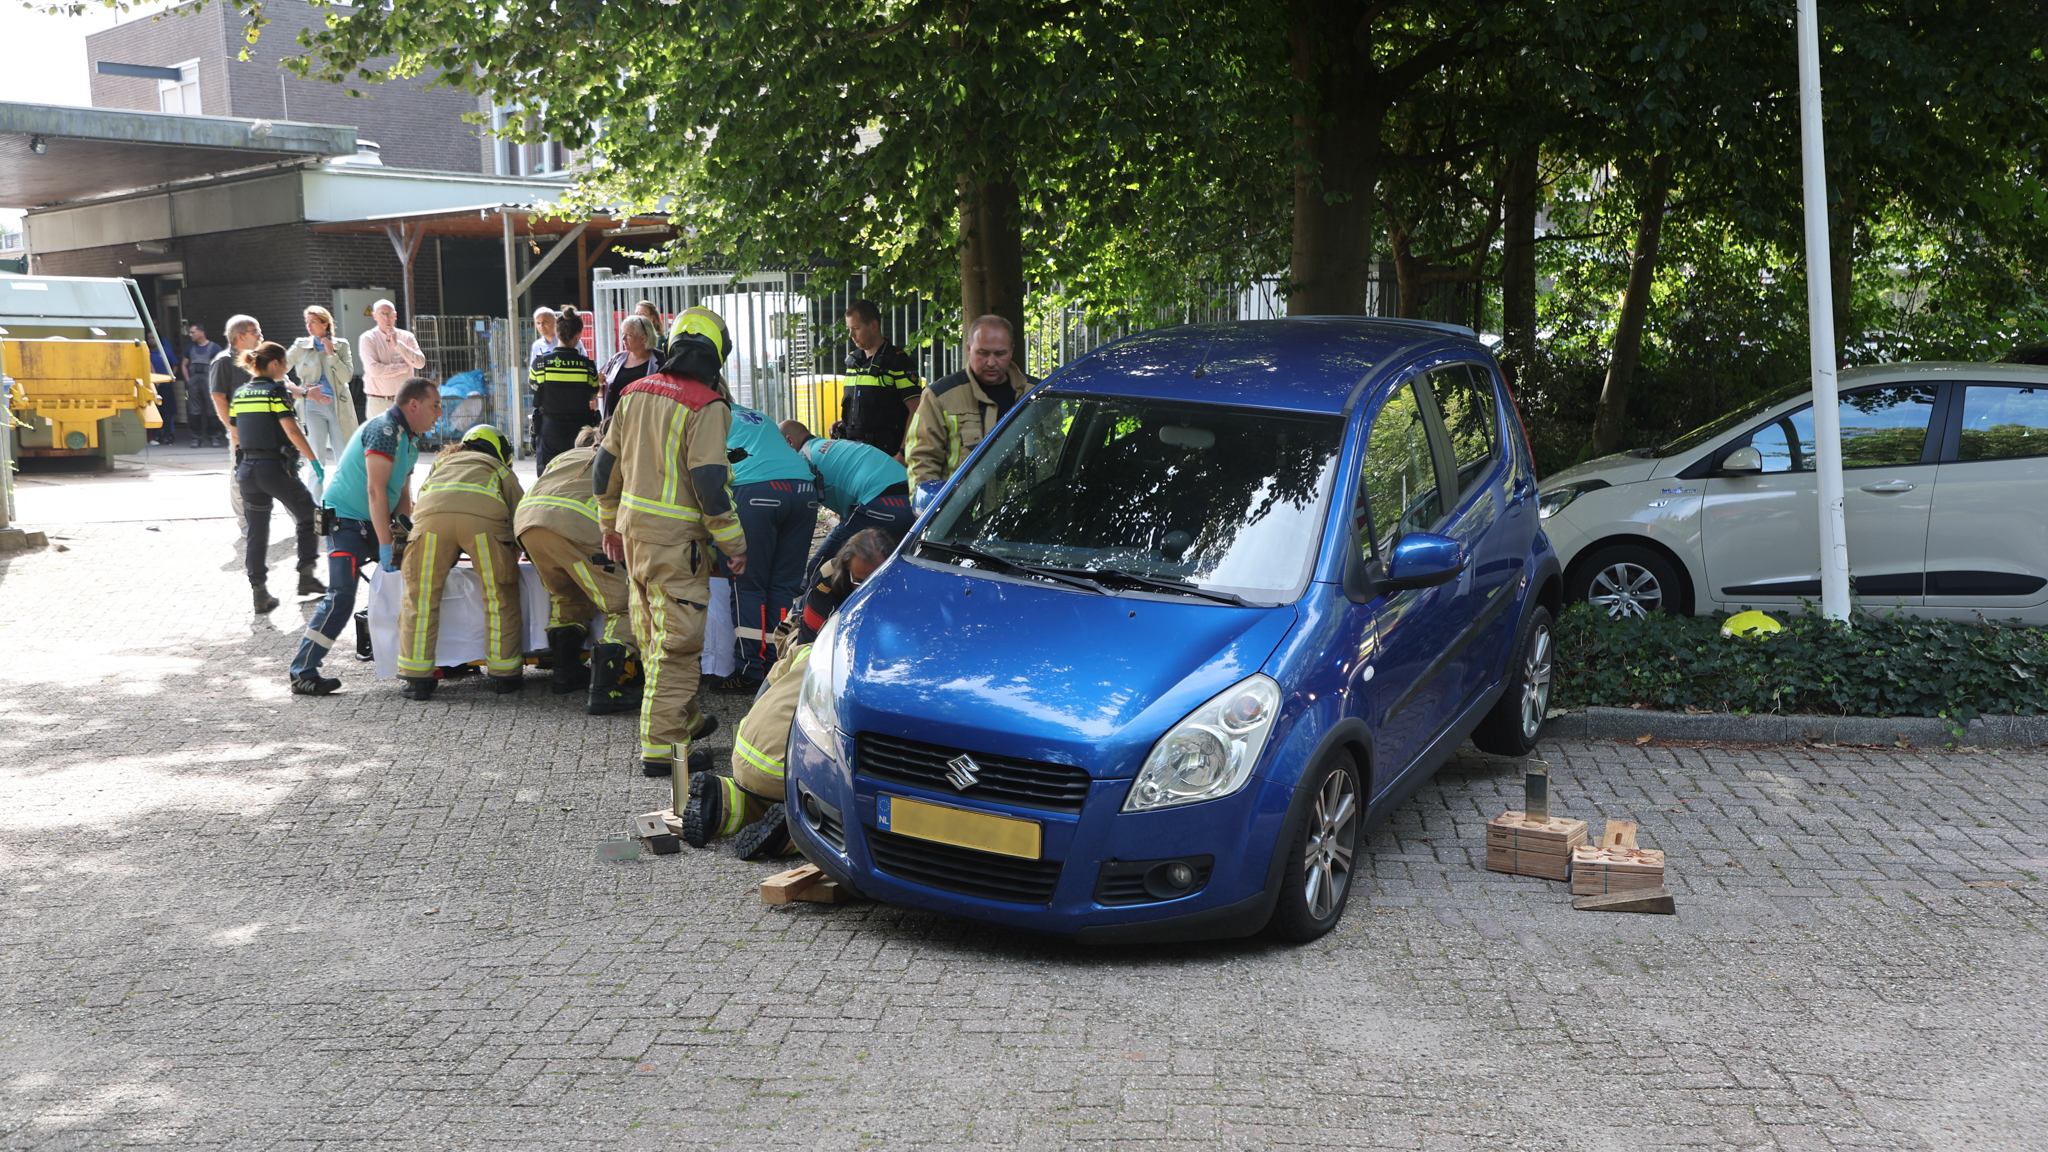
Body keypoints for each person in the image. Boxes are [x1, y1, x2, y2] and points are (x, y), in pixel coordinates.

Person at [596, 305, 745, 795]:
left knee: (655, 636)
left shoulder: (634, 392)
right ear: (717, 354)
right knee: (678, 648)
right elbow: (709, 481)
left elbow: (603, 466)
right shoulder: (708, 404)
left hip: (634, 538)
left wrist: (607, 522)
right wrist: (733, 543)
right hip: (677, 547)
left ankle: (686, 720)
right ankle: (662, 749)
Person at [682, 529, 893, 855]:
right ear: (845, 567)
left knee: (790, 673)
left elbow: (788, 672)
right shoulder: (828, 586)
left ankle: (723, 800)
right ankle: (797, 831)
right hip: (790, 766)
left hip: (745, 753)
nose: (863, 589)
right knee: (845, 809)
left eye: (872, 582)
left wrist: (758, 713)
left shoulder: (810, 652)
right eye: (857, 581)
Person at [284, 378, 443, 696]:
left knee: (413, 581)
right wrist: (387, 545)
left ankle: (415, 662)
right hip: (345, 522)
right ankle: (303, 671)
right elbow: (375, 491)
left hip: (371, 521)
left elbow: (400, 493)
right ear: (414, 404)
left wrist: (404, 533)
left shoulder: (409, 439)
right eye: (435, 405)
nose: (439, 413)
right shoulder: (384, 431)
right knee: (341, 595)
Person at [513, 424, 641, 714]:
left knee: (570, 597)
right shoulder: (616, 456)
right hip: (577, 525)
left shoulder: (564, 456)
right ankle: (605, 691)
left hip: (529, 523)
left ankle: (565, 673)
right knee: (626, 605)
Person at [396, 424, 526, 700]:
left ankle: (416, 679)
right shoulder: (498, 467)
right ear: (499, 449)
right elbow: (521, 511)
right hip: (483, 522)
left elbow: (423, 499)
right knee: (499, 594)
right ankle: (505, 676)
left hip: (432, 521)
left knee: (419, 597)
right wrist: (517, 547)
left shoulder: (442, 461)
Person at [716, 406, 819, 693]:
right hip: (802, 490)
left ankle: (751, 671)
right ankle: (782, 665)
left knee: (748, 585)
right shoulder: (755, 415)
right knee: (784, 586)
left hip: (754, 490)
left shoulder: (702, 414)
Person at [228, 341, 324, 614]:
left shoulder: (240, 395)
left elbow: (235, 435)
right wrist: (314, 461)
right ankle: (306, 576)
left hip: (247, 471)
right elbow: (293, 432)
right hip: (273, 469)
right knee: (308, 516)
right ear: (273, 365)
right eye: (284, 364)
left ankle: (260, 593)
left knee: (257, 532)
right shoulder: (276, 393)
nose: (285, 369)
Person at [905, 314, 1037, 488]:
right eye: (983, 353)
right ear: (968, 349)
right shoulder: (939, 396)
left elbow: (1056, 451)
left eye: (1000, 353)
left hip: (1029, 509)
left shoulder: (1037, 394)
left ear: (1011, 351)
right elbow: (922, 460)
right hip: (963, 511)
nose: (991, 362)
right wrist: (930, 510)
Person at [781, 420, 910, 588]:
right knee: (890, 568)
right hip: (909, 499)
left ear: (790, 441)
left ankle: (809, 612)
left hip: (878, 501)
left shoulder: (804, 458)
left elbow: (798, 514)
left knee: (819, 569)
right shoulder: (832, 445)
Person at [285, 305, 358, 504]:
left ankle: (346, 503)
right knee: (315, 458)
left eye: (313, 322)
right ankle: (315, 507)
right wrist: (299, 390)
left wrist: (331, 354)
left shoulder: (341, 345)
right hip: (312, 407)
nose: (309, 326)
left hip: (338, 407)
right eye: (307, 323)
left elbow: (346, 377)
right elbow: (278, 368)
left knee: (344, 457)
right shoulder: (301, 345)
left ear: (326, 324)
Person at [838, 299, 922, 454]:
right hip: (853, 454)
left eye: (856, 328)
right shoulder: (853, 361)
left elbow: (917, 410)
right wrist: (844, 424)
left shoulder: (898, 362)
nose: (851, 335)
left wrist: (903, 453)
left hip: (886, 455)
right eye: (849, 329)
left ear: (873, 325)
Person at [531, 309, 602, 469]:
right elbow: (592, 395)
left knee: (547, 478)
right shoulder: (588, 366)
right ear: (579, 334)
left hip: (550, 431)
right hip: (580, 433)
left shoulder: (540, 365)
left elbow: (535, 388)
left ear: (557, 330)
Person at [357, 300, 427, 419]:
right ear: (375, 316)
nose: (386, 318)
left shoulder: (407, 336)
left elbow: (420, 363)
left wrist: (398, 345)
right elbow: (374, 370)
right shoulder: (368, 338)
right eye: (382, 314)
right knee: (381, 437)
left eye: (389, 314)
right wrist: (403, 368)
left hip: (404, 401)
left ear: (395, 315)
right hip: (379, 402)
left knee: (405, 437)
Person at [599, 314, 658, 418]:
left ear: (643, 338)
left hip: (644, 425)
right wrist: (599, 383)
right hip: (614, 426)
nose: (623, 338)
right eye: (623, 334)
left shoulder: (661, 361)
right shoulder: (616, 359)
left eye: (628, 335)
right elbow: (600, 393)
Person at [182, 324, 224, 448]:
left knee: (212, 410)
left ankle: (214, 437)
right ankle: (196, 439)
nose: (190, 335)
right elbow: (184, 364)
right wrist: (188, 380)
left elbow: (221, 366)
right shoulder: (190, 348)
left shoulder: (215, 348)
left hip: (209, 383)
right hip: (194, 383)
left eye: (192, 332)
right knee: (194, 411)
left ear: (201, 333)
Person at [146, 336, 176, 445]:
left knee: (167, 411)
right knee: (154, 411)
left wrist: (170, 377)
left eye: (153, 338)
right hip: (152, 386)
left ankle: (167, 435)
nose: (151, 340)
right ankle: (155, 435)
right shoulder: (146, 352)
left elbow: (175, 365)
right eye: (149, 338)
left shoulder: (166, 351)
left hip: (165, 384)